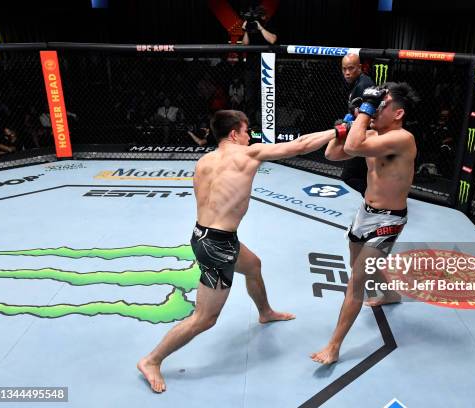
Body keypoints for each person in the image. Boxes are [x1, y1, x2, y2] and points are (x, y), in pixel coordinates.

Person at [138, 110, 337, 392]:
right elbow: (302, 145)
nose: (249, 137)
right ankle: (152, 359)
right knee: (205, 319)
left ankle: (265, 312)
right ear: (234, 133)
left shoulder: (204, 160)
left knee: (253, 265)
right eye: (246, 131)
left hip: (207, 236)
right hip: (218, 246)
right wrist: (338, 132)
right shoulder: (247, 154)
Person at [313, 82, 419, 365]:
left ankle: (333, 346)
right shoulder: (373, 134)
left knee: (356, 281)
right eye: (375, 105)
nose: (374, 110)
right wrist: (349, 121)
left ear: (398, 113)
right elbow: (332, 154)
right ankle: (392, 294)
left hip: (389, 220)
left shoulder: (402, 138)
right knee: (357, 266)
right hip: (364, 214)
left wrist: (363, 114)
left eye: (381, 106)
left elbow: (353, 145)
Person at [340, 53, 375, 196]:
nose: (347, 73)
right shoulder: (357, 83)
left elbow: (369, 116)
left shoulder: (363, 85)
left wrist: (348, 124)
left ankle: (373, 198)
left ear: (359, 67)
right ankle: (371, 199)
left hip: (365, 136)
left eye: (351, 68)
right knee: (360, 174)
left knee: (349, 175)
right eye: (344, 69)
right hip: (362, 135)